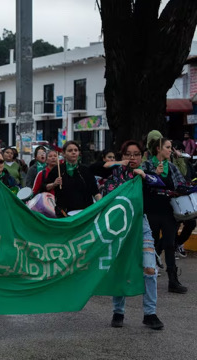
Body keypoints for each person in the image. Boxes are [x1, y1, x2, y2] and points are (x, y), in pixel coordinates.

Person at [102, 140, 164, 330]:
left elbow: (160, 183)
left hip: (141, 225)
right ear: (123, 156)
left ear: (142, 156)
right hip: (119, 227)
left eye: (137, 154)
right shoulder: (114, 174)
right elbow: (98, 168)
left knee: (150, 269)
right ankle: (118, 312)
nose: (133, 157)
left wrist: (144, 175)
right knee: (120, 268)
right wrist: (118, 164)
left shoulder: (145, 175)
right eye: (128, 154)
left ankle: (150, 313)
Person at [142, 138, 188, 293]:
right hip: (151, 211)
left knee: (169, 244)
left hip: (168, 211)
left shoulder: (172, 167)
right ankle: (148, 278)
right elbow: (141, 185)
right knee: (151, 245)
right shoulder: (147, 165)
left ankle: (173, 281)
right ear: (158, 150)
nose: (170, 150)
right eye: (168, 147)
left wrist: (183, 189)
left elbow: (180, 183)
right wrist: (154, 175)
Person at [41, 141, 102, 215]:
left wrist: (101, 205)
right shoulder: (57, 169)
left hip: (85, 212)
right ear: (64, 154)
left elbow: (95, 192)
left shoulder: (86, 170)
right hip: (64, 213)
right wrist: (54, 184)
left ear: (79, 153)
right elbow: (44, 187)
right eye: (70, 150)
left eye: (76, 150)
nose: (73, 152)